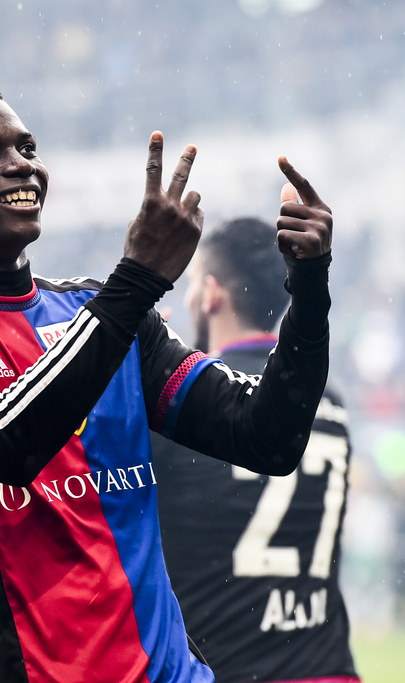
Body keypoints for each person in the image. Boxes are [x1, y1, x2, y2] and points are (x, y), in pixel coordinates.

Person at [0, 78, 334, 683]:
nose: (20, 166)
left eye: (26, 147)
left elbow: (268, 438)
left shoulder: (103, 311)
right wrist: (137, 279)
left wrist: (309, 290)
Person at [153, 218, 357, 683]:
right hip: (327, 669)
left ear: (210, 294)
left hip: (227, 670)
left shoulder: (180, 408)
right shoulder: (331, 405)